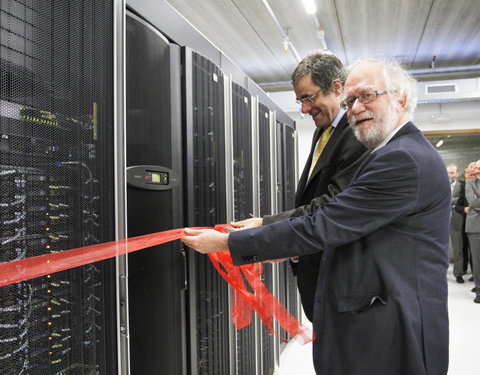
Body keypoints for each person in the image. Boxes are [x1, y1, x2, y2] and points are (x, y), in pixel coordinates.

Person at [182, 59, 450, 374]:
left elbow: (325, 224)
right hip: (377, 315)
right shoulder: (390, 153)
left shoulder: (402, 159)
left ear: (400, 99)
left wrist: (229, 243)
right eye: (350, 101)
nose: (355, 108)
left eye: (366, 96)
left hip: (392, 326)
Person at [233, 51, 368, 322]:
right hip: (317, 270)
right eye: (300, 101)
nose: (305, 109)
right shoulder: (323, 131)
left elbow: (331, 206)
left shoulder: (356, 135)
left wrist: (266, 226)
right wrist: (291, 244)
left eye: (309, 97)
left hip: (341, 280)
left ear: (337, 87)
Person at [465, 159, 480, 303]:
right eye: (476, 168)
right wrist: (476, 202)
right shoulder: (470, 183)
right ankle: (479, 290)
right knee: (477, 261)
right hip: (475, 227)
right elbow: (473, 202)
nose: (477, 171)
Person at [448, 163, 465, 283]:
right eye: (448, 173)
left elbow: (461, 200)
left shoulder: (461, 186)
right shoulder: (439, 184)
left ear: (457, 173)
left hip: (456, 219)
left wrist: (448, 201)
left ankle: (458, 273)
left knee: (458, 247)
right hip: (441, 220)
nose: (450, 175)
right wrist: (453, 201)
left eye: (452, 173)